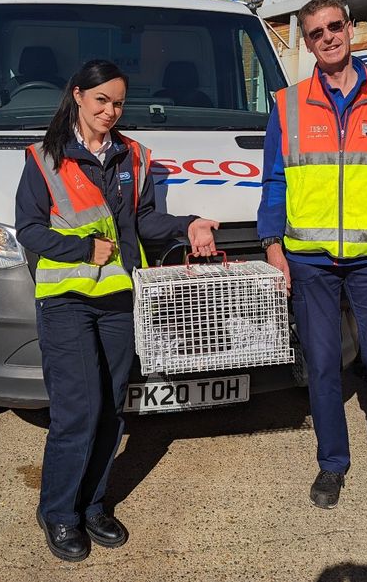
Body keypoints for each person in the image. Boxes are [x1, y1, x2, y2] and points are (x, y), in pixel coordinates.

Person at [15, 59, 219, 562]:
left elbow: (143, 221)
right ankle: (58, 512)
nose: (110, 111)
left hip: (119, 303)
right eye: (101, 100)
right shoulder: (45, 157)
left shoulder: (134, 157)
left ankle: (92, 505)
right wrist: (84, 249)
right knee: (76, 412)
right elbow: (29, 230)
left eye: (118, 103)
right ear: (78, 96)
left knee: (110, 408)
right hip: (66, 302)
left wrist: (189, 223)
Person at [257, 0, 367, 513]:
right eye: (316, 33)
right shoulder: (287, 104)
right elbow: (274, 180)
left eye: (335, 26)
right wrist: (272, 244)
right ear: (307, 44)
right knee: (324, 365)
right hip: (309, 260)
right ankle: (332, 463)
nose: (328, 37)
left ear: (350, 28)